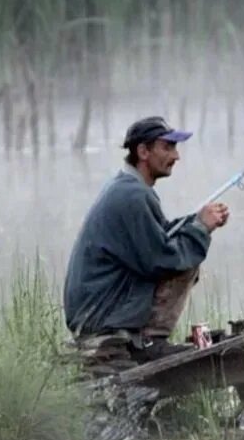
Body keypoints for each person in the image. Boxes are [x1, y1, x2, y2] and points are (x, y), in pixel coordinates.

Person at [63, 116, 230, 357]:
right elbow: (161, 260)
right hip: (99, 316)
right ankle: (150, 341)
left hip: (94, 311)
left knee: (186, 246)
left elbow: (158, 237)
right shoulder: (133, 195)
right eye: (167, 147)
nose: (176, 156)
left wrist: (196, 222)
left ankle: (147, 339)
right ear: (143, 151)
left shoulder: (127, 187)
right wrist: (200, 229)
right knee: (184, 261)